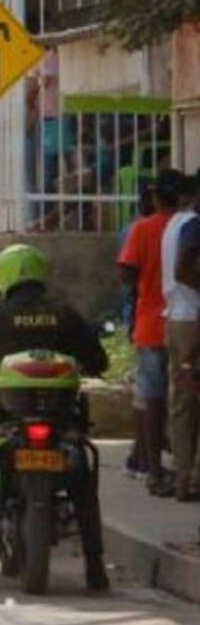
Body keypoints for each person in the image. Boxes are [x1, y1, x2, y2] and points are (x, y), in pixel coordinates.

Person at [0, 244, 110, 588]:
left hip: (9, 410)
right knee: (82, 478)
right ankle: (95, 566)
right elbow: (98, 361)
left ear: (4, 277)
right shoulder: (65, 313)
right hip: (61, 415)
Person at [118, 178, 177, 497]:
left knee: (150, 398)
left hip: (151, 323)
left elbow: (126, 272)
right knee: (181, 399)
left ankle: (152, 468)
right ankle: (181, 467)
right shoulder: (186, 226)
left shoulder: (142, 229)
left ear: (154, 198)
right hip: (185, 322)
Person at [166, 172, 200, 503]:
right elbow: (182, 269)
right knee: (190, 400)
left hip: (175, 317)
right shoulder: (193, 225)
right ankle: (190, 478)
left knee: (181, 403)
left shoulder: (173, 223)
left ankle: (183, 475)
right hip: (191, 319)